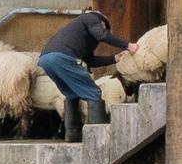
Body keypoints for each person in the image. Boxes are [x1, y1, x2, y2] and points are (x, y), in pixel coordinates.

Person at [38, 11, 135, 143]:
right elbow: (102, 35)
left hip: (46, 59)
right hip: (62, 57)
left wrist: (114, 58)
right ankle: (99, 138)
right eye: (104, 26)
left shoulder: (80, 35)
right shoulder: (91, 18)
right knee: (94, 93)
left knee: (72, 94)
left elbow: (90, 61)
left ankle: (72, 136)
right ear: (102, 22)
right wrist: (128, 45)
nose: (104, 29)